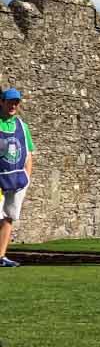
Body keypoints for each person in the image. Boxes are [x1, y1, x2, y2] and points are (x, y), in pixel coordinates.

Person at [0, 86, 34, 268]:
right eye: (10, 101)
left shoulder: (22, 126)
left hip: (16, 180)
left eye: (16, 102)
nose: (13, 105)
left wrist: (27, 178)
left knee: (8, 217)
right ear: (2, 102)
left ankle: (1, 256)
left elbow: (28, 154)